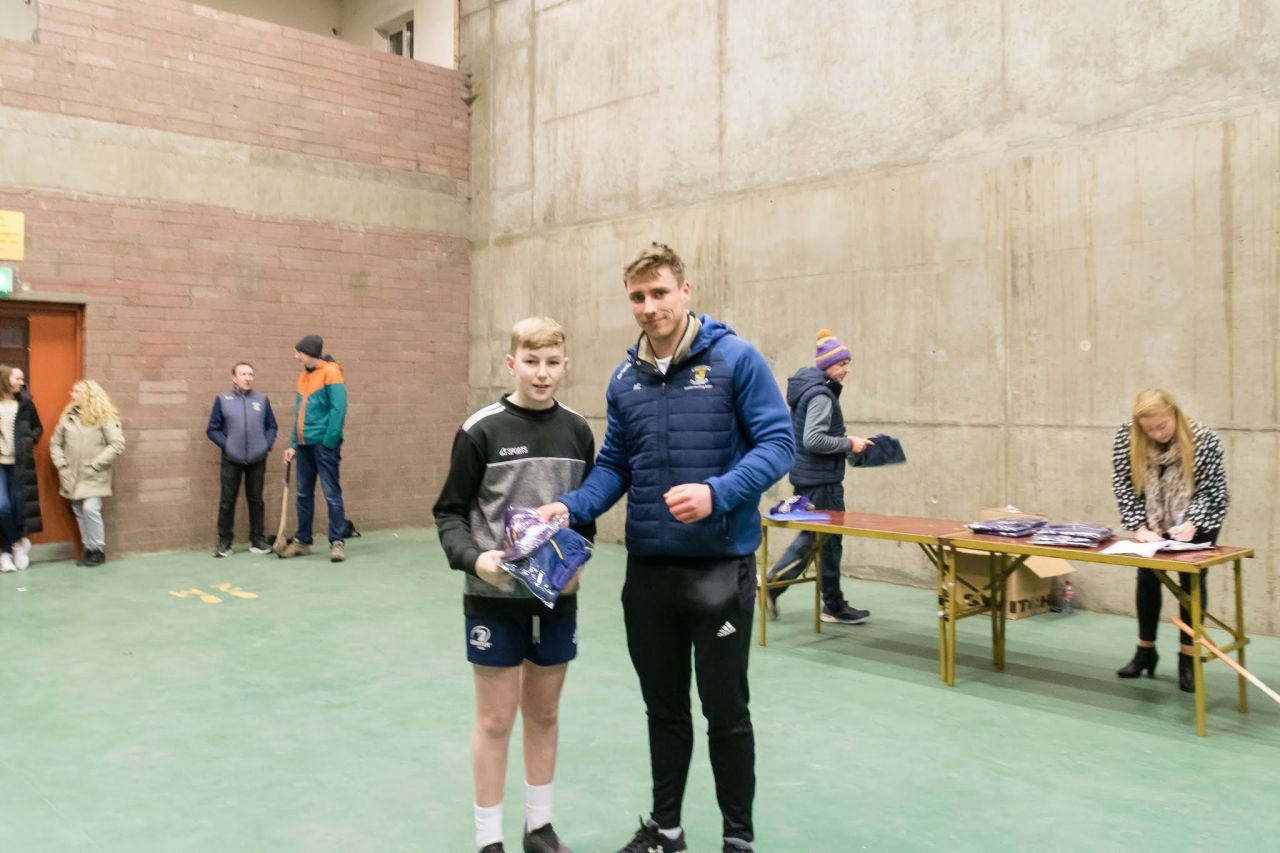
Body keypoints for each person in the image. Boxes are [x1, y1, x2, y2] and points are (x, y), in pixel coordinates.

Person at [539, 243, 794, 853]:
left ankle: (738, 839)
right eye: (637, 297)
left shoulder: (736, 359)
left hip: (719, 570)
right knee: (664, 710)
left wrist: (719, 492)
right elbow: (615, 466)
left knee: (726, 713)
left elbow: (780, 444)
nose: (649, 307)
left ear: (684, 291)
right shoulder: (624, 378)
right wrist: (570, 507)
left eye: (659, 293)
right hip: (650, 572)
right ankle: (667, 830)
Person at [433, 317, 596, 853]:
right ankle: (488, 841)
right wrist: (475, 560)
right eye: (531, 362)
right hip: (492, 600)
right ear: (511, 364)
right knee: (497, 720)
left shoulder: (577, 430)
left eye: (552, 363)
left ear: (564, 365)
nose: (542, 374)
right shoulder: (480, 430)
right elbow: (450, 513)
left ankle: (539, 828)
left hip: (557, 600)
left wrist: (576, 561)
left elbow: (584, 515)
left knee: (545, 714)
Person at [1111, 388, 1229, 692]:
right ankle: (1145, 651)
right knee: (1147, 576)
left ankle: (1188, 659)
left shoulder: (1203, 438)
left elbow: (1214, 491)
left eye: (1162, 426)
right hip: (1153, 517)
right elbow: (1125, 485)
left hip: (1197, 516)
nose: (1157, 434)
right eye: (1149, 430)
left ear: (1174, 414)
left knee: (1190, 583)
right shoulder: (1127, 438)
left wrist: (1193, 521)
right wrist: (1139, 526)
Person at [764, 329, 874, 624]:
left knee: (815, 539)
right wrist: (849, 443)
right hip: (822, 481)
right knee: (826, 542)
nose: (846, 369)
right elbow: (814, 439)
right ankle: (829, 604)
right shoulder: (822, 396)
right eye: (841, 363)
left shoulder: (808, 390)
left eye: (848, 363)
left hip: (808, 477)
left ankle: (779, 587)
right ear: (827, 365)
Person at [277, 335, 348, 562]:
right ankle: (302, 542)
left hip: (324, 445)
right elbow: (300, 412)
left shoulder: (332, 373)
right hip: (305, 445)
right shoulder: (303, 377)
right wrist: (293, 445)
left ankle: (337, 543)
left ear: (308, 353)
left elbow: (339, 410)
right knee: (303, 494)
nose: (295, 356)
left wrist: (329, 442)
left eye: (298, 352)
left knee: (331, 494)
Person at [49, 380, 126, 567]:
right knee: (78, 510)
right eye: (73, 391)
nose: (72, 395)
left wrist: (95, 465)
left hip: (93, 474)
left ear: (90, 395)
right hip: (71, 475)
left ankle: (98, 550)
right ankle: (89, 549)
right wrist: (62, 466)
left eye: (78, 392)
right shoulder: (68, 417)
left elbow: (117, 444)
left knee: (90, 508)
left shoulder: (104, 417)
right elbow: (55, 443)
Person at [206, 362, 278, 557]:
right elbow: (212, 429)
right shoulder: (223, 399)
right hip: (231, 459)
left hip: (257, 459)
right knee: (227, 501)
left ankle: (257, 541)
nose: (247, 377)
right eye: (243, 374)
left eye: (250, 374)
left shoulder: (262, 400)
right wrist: (227, 445)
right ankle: (225, 543)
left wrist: (266, 444)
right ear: (234, 378)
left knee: (256, 500)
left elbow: (272, 426)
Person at [0, 365, 44, 572]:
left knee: (17, 508)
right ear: (5, 379)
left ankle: (6, 553)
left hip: (18, 465)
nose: (21, 382)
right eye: (17, 378)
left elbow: (38, 427)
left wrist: (29, 440)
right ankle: (17, 543)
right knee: (2, 507)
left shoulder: (26, 403)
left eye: (22, 379)